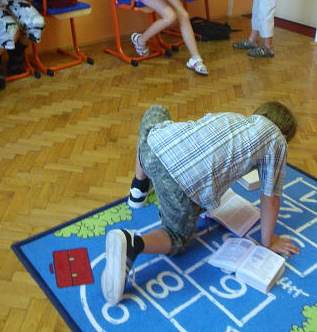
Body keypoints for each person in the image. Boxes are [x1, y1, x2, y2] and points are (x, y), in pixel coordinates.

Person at [101, 102, 299, 306]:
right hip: (175, 183)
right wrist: (268, 242)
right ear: (285, 136)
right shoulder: (277, 141)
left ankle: (138, 187)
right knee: (177, 237)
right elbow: (271, 198)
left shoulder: (236, 117)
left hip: (153, 148)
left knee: (157, 112)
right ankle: (132, 244)